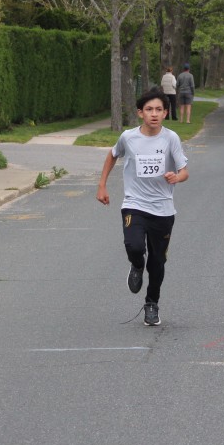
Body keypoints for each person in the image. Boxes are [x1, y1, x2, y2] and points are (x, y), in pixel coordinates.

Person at [96, 90, 189, 326]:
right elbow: (112, 155)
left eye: (159, 110)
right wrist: (102, 185)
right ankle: (137, 265)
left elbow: (184, 171)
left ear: (166, 113)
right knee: (134, 246)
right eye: (149, 109)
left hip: (163, 209)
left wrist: (176, 177)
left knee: (157, 262)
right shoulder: (128, 137)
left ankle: (151, 304)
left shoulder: (171, 139)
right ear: (140, 113)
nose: (154, 114)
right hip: (134, 204)